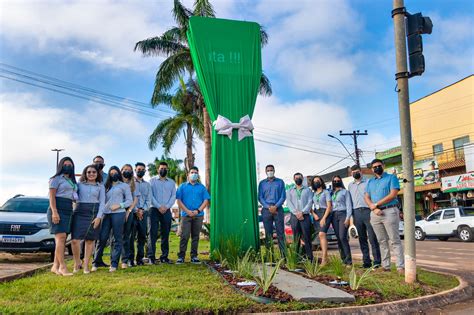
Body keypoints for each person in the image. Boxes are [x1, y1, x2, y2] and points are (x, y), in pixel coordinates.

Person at [365, 159, 404, 273]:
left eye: (379, 166)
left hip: (389, 211)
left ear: (383, 166)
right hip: (375, 214)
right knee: (382, 241)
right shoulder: (370, 182)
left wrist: (376, 204)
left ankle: (400, 266)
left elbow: (393, 194)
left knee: (394, 240)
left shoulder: (391, 178)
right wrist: (374, 208)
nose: (377, 168)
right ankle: (386, 266)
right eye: (374, 167)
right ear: (372, 169)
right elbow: (366, 197)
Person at [92, 166, 132, 272]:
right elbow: (100, 200)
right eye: (111, 173)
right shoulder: (105, 186)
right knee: (102, 238)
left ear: (119, 173)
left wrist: (119, 205)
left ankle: (114, 264)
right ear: (109, 174)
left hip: (118, 214)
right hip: (106, 213)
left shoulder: (124, 186)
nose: (113, 174)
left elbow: (129, 201)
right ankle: (95, 262)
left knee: (117, 239)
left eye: (115, 172)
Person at [70, 165, 105, 274]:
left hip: (94, 212)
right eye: (89, 172)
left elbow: (102, 203)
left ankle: (86, 266)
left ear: (97, 174)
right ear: (85, 173)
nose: (91, 174)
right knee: (75, 240)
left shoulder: (101, 186)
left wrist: (99, 217)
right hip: (79, 212)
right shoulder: (79, 185)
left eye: (93, 172)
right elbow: (73, 196)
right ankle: (77, 263)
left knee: (90, 240)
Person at [48, 157, 78, 276]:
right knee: (60, 237)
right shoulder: (55, 179)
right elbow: (51, 197)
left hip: (68, 208)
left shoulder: (72, 180)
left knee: (63, 239)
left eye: (70, 165)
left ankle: (55, 266)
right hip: (57, 208)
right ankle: (62, 267)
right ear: (61, 166)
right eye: (65, 164)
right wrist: (55, 212)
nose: (68, 166)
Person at [348, 165, 381, 268]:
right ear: (351, 174)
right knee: (362, 238)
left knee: (372, 238)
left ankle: (377, 262)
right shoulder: (350, 185)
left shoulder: (368, 182)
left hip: (368, 211)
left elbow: (374, 195)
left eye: (357, 171)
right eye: (353, 172)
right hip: (356, 213)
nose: (355, 173)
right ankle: (366, 262)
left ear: (361, 172)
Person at [176, 166, 210, 264]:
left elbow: (206, 200)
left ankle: (194, 256)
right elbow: (178, 200)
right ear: (188, 174)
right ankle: (181, 256)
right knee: (184, 235)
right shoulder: (182, 186)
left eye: (195, 172)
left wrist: (198, 211)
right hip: (185, 215)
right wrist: (187, 211)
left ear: (198, 175)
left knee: (195, 236)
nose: (194, 174)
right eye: (192, 172)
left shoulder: (202, 187)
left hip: (198, 215)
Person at [148, 161, 176, 264]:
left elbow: (173, 196)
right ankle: (151, 257)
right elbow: (150, 196)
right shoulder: (152, 181)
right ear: (157, 169)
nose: (163, 170)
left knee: (166, 233)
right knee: (152, 233)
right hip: (154, 209)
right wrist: (159, 206)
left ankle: (164, 256)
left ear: (167, 170)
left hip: (167, 210)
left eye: (165, 168)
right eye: (161, 168)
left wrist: (166, 207)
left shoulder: (172, 182)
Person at [258, 165, 286, 255]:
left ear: (274, 171)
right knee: (268, 234)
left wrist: (276, 206)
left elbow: (283, 196)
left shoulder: (280, 182)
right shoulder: (262, 183)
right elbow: (260, 197)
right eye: (268, 170)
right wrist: (268, 207)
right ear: (266, 172)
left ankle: (284, 256)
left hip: (278, 209)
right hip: (266, 210)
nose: (270, 171)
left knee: (280, 234)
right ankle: (270, 257)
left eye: (271, 170)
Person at [286, 173, 313, 261]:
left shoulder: (308, 190)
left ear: (302, 179)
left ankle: (309, 258)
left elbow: (310, 202)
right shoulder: (290, 191)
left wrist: (302, 212)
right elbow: (289, 203)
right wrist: (296, 213)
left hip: (305, 216)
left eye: (299, 178)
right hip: (294, 217)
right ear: (294, 179)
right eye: (296, 178)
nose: (298, 179)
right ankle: (297, 258)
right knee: (296, 238)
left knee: (307, 237)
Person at [132, 162, 152, 266]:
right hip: (132, 213)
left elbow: (149, 200)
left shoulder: (147, 185)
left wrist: (142, 210)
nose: (141, 171)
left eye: (142, 169)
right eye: (139, 169)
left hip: (143, 214)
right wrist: (136, 210)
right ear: (135, 170)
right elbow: (129, 198)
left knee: (142, 237)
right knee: (131, 237)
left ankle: (139, 259)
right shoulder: (130, 183)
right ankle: (130, 259)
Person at [330, 175, 353, 265]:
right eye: (334, 181)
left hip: (343, 214)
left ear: (340, 181)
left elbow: (349, 205)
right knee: (338, 238)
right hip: (334, 215)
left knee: (343, 237)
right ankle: (343, 259)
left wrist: (348, 218)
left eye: (338, 180)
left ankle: (349, 261)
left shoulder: (345, 192)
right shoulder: (331, 193)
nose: (336, 182)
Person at [310, 175, 332, 265]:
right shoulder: (313, 194)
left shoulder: (326, 192)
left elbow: (329, 206)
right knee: (320, 236)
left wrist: (324, 218)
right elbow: (309, 205)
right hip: (316, 214)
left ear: (321, 182)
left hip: (325, 213)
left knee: (322, 234)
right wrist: (313, 214)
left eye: (318, 181)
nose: (316, 182)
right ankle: (325, 257)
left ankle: (324, 259)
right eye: (315, 181)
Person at [121, 164, 139, 268]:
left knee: (127, 236)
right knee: (116, 237)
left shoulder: (133, 184)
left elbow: (135, 199)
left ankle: (127, 259)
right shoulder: (117, 182)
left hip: (129, 211)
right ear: (121, 170)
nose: (127, 171)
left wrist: (129, 210)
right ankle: (114, 259)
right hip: (117, 211)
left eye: (129, 170)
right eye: (125, 169)